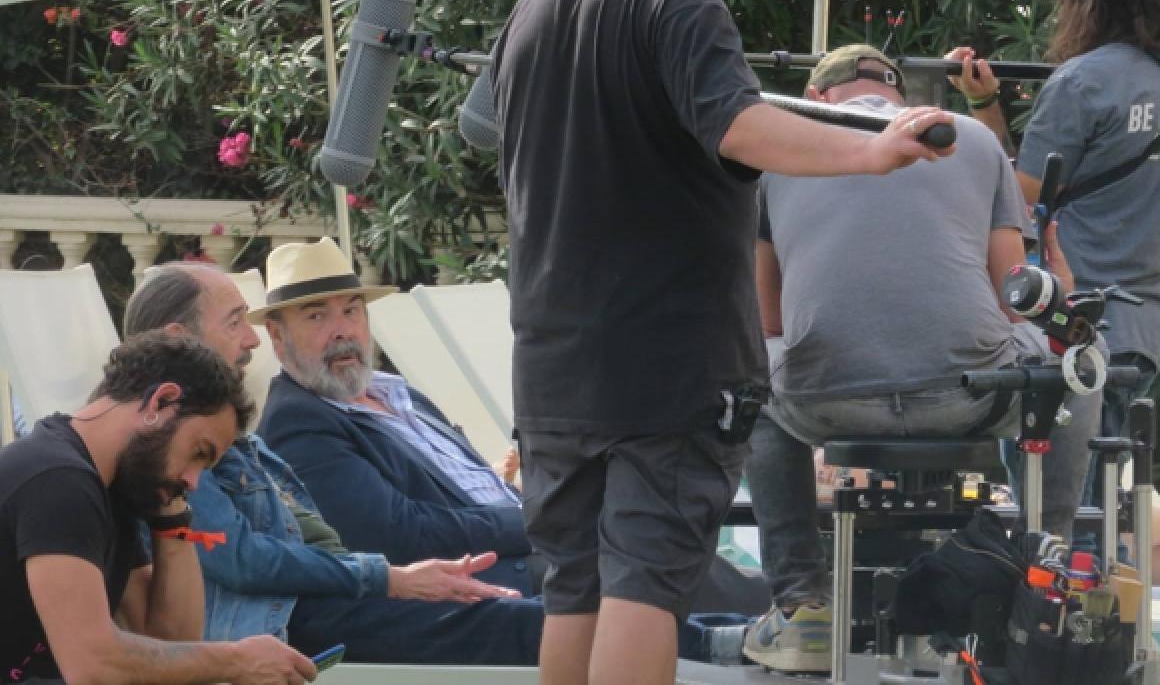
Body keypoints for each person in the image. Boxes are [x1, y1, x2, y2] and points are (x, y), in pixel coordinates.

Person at [490, 0, 957, 681]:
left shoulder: (528, 18)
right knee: (643, 582)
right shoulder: (675, 4)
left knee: (572, 588)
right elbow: (738, 125)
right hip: (666, 368)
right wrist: (869, 150)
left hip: (551, 364)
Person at [739, 45, 1102, 672]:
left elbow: (767, 321)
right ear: (897, 96)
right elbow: (1011, 298)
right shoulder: (972, 141)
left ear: (817, 99)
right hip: (968, 393)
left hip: (826, 401)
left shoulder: (779, 152)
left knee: (748, 370)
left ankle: (802, 606)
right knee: (1080, 359)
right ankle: (1044, 568)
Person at [251, 241, 770, 635]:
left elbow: (471, 482)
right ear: (277, 336)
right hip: (497, 569)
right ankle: (773, 622)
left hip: (539, 538)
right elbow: (400, 535)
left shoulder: (395, 393)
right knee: (638, 555)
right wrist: (547, 518)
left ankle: (776, 615)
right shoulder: (301, 423)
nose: (342, 330)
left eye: (351, 309)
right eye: (316, 316)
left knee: (653, 533)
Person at [949, 0, 1160, 513]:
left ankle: (1057, 609)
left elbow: (1018, 203)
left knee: (1051, 517)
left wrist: (983, 105)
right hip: (1141, 333)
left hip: (1064, 330)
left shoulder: (1084, 80)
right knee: (1105, 517)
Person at [124, 261, 545, 665]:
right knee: (548, 620)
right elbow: (240, 558)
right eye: (236, 323)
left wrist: (392, 579)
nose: (250, 341)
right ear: (179, 337)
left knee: (568, 606)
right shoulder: (172, 439)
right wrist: (389, 578)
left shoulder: (224, 433)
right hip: (292, 624)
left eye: (352, 310)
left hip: (336, 597)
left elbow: (309, 542)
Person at [0, 331, 316, 684]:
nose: (194, 482)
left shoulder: (110, 489)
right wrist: (235, 660)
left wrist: (173, 518)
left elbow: (165, 647)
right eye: (199, 452)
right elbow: (92, 665)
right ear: (161, 402)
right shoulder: (57, 479)